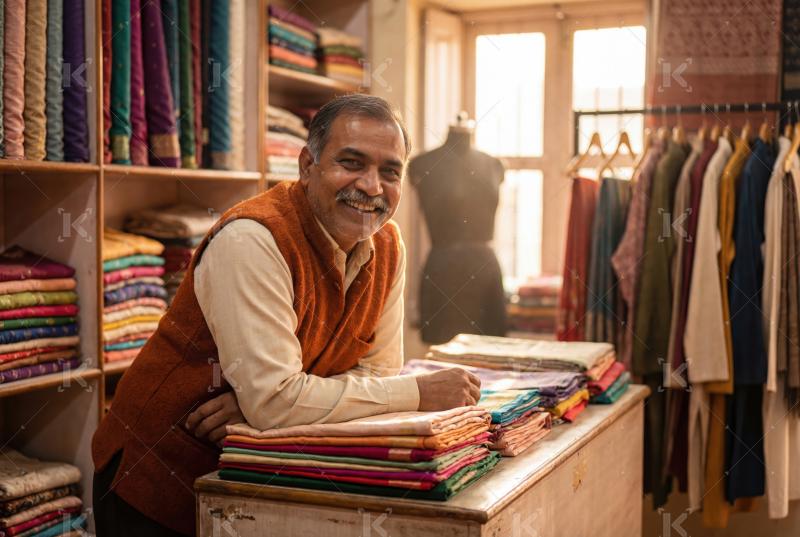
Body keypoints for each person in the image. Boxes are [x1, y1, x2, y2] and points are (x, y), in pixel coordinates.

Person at [91, 94, 481, 536]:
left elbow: (375, 372)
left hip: (255, 483)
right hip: (156, 479)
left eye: (389, 171)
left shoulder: (388, 246)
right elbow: (284, 400)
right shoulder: (253, 239)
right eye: (351, 163)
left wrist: (265, 405)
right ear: (306, 166)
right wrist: (415, 393)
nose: (372, 186)